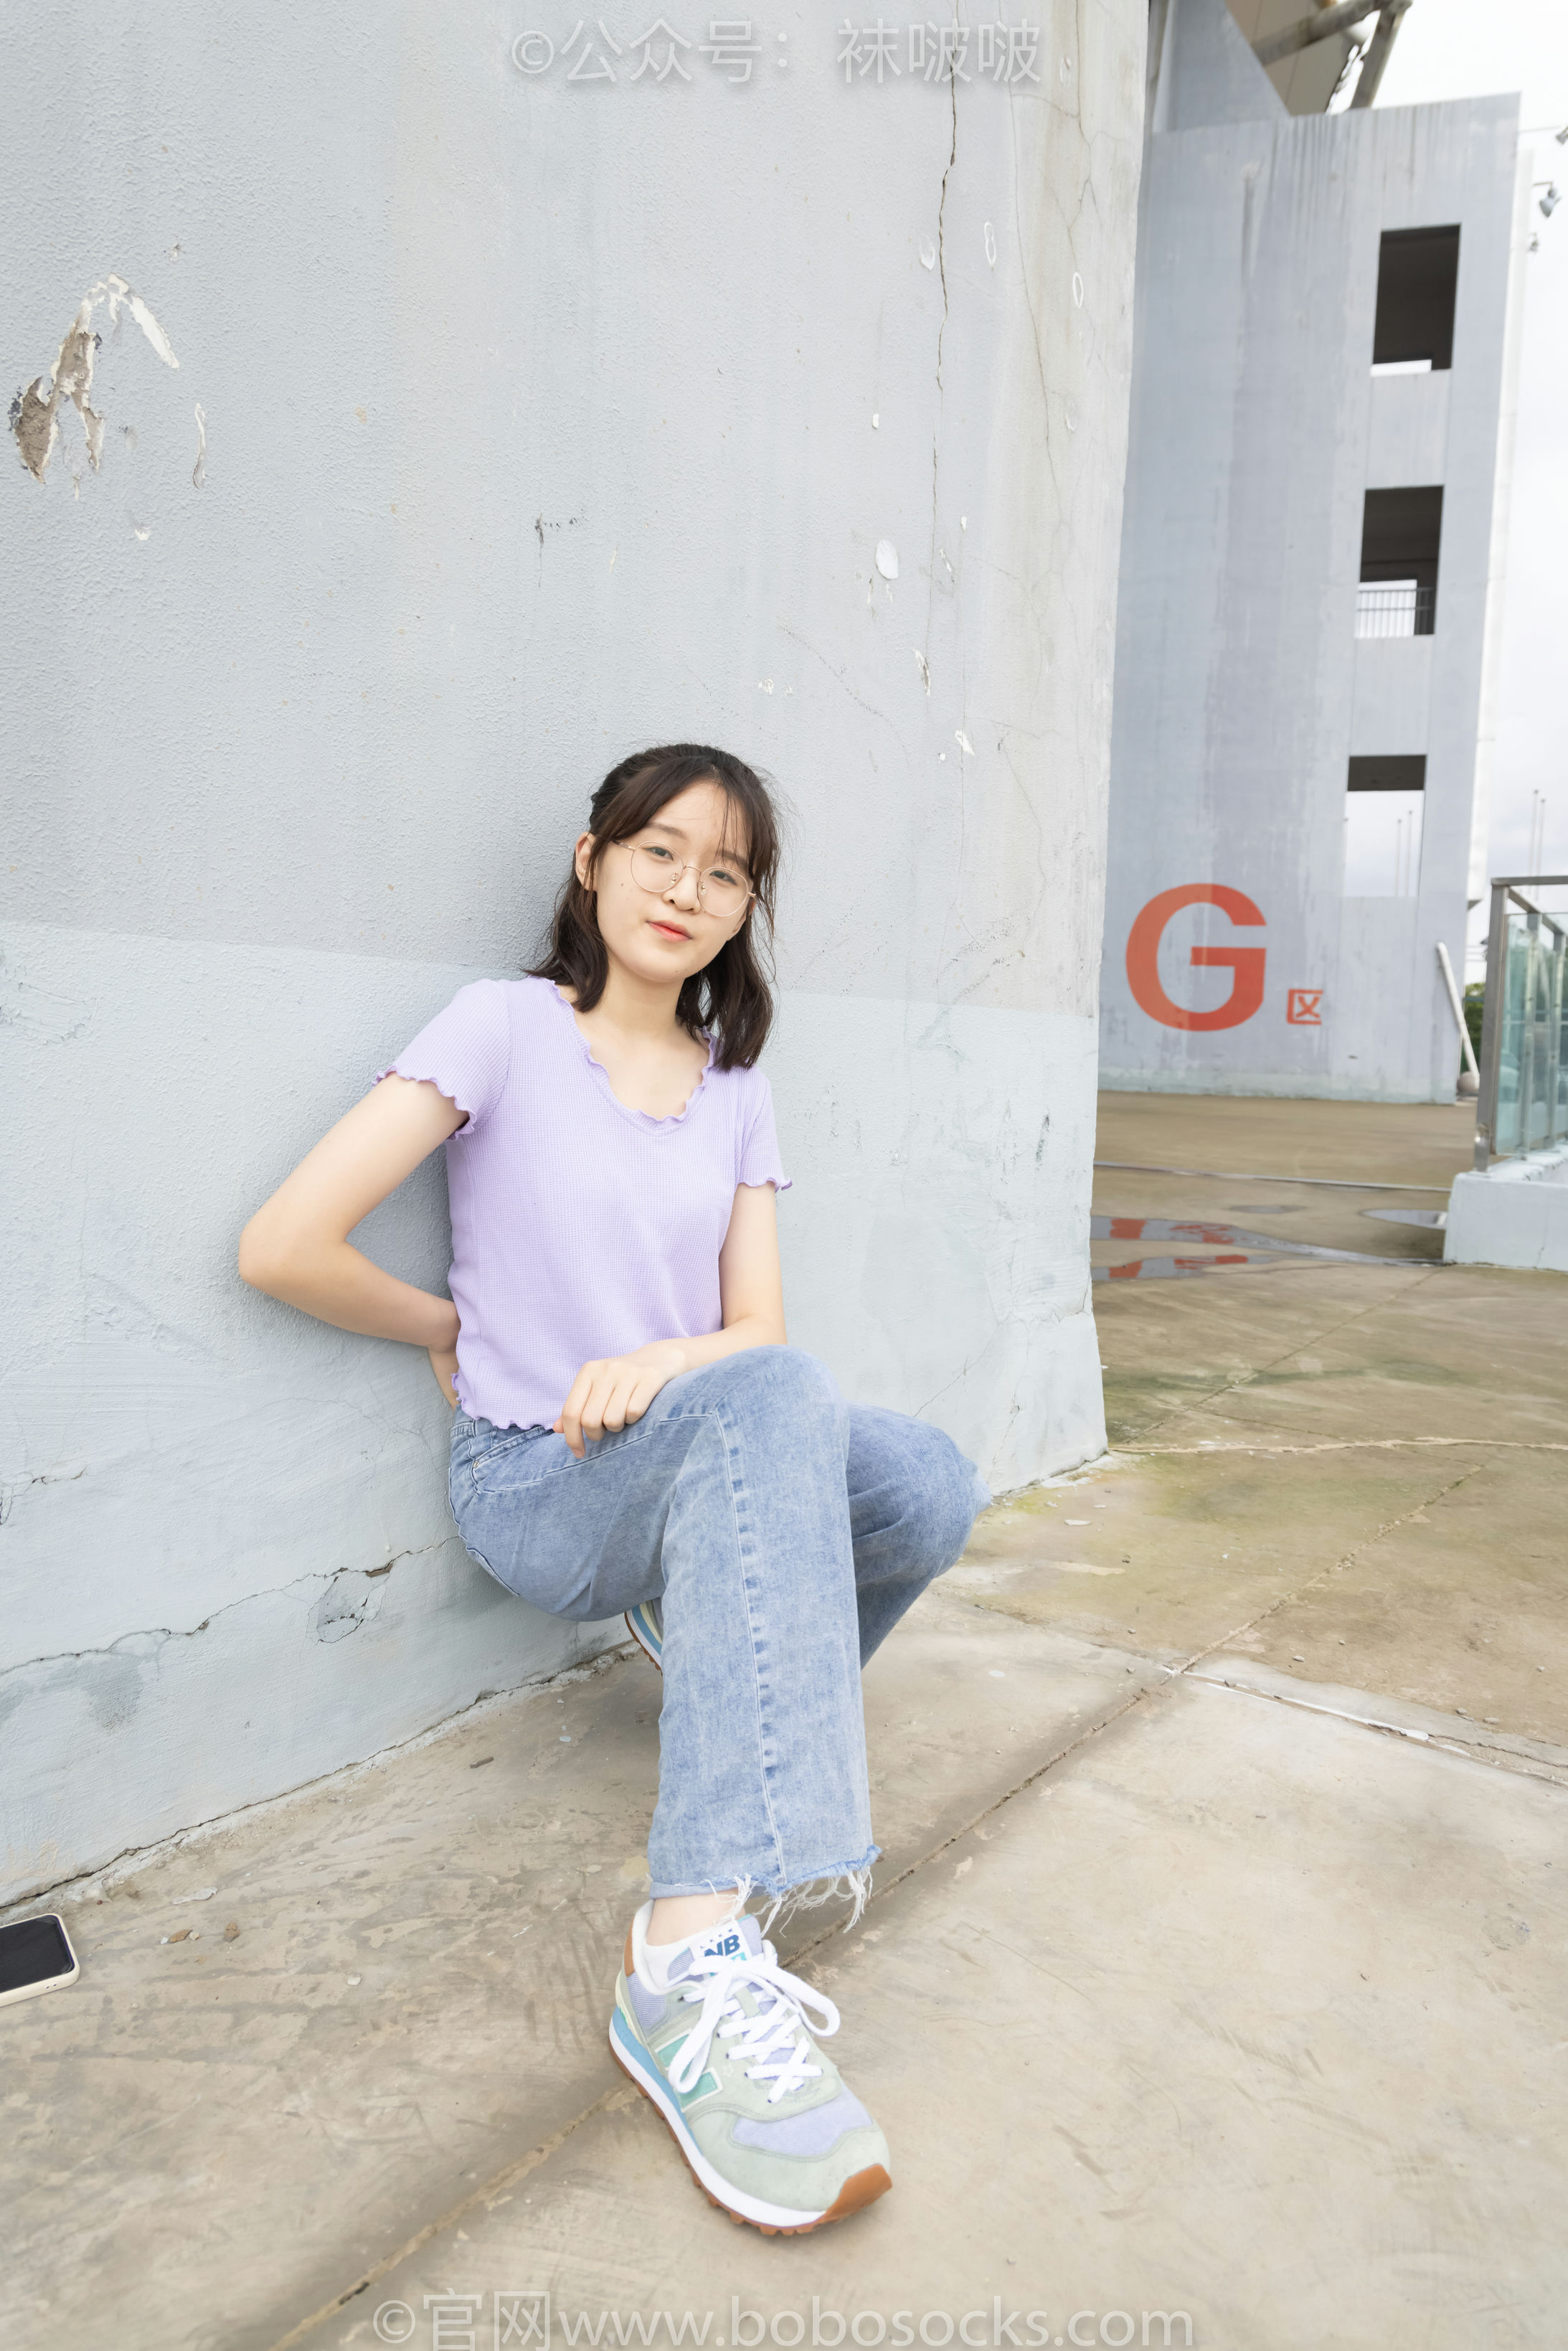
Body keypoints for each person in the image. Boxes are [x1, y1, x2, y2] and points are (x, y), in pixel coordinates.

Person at [238, 743, 991, 2236]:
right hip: (537, 1480)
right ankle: (685, 1959)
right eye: (659, 851)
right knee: (778, 1398)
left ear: (744, 908)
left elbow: (754, 1334)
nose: (687, 890)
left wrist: (660, 1360)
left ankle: (709, 1663)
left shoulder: (736, 1089)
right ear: (591, 861)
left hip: (683, 1443)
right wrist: (453, 1329)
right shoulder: (504, 1028)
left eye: (726, 873)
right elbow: (283, 1245)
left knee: (923, 1477)